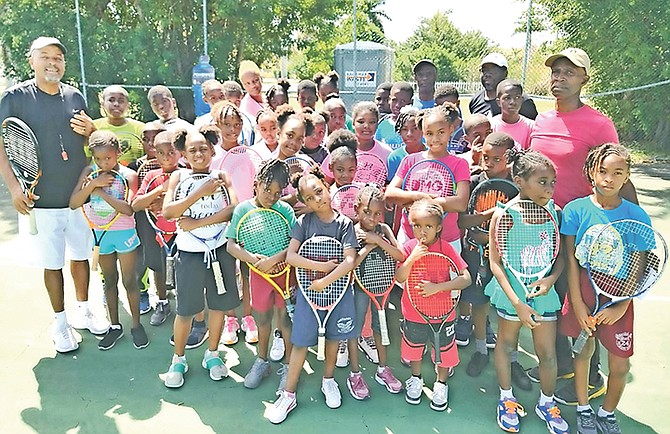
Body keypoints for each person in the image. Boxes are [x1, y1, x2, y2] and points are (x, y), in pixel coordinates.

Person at [529, 48, 637, 403]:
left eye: (568, 72)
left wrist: (629, 226)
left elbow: (615, 171)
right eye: (555, 72)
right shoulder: (540, 122)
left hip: (587, 230)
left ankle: (590, 377)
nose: (559, 78)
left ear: (583, 79)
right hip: (544, 227)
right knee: (557, 299)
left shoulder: (600, 124)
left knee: (585, 301)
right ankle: (561, 365)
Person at [0, 36, 106, 353]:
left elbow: (94, 145)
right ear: (31, 61)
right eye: (45, 56)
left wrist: (92, 131)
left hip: (78, 195)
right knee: (52, 263)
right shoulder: (14, 98)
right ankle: (60, 324)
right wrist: (15, 187)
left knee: (81, 256)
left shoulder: (74, 96)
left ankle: (83, 310)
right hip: (41, 199)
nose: (52, 62)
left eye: (58, 57)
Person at [560, 143, 649, 434]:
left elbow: (640, 265)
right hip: (584, 291)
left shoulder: (637, 216)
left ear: (627, 178)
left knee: (620, 366)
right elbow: (571, 262)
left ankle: (607, 413)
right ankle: (584, 409)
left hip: (620, 294)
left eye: (617, 173)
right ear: (591, 173)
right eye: (603, 171)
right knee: (582, 354)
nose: (608, 178)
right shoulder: (575, 210)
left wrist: (622, 303)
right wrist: (577, 301)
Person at [266, 167, 357, 424]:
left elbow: (349, 260)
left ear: (326, 188)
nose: (317, 199)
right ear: (304, 202)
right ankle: (288, 394)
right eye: (310, 197)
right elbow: (292, 257)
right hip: (309, 294)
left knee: (333, 340)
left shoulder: (344, 224)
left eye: (319, 191)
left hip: (339, 295)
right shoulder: (304, 223)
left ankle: (328, 381)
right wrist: (320, 270)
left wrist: (327, 280)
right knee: (301, 343)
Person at [486, 149, 568, 434]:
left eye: (552, 182)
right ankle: (506, 398)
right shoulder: (504, 214)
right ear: (520, 181)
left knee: (547, 354)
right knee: (506, 346)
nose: (549, 188)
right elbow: (495, 264)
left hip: (544, 294)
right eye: (542, 181)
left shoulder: (555, 212)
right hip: (512, 295)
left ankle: (547, 403)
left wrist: (550, 280)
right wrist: (516, 303)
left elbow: (560, 259)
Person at [161, 126, 239, 388]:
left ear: (212, 150)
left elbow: (233, 209)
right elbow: (169, 212)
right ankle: (178, 359)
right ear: (183, 153)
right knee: (186, 310)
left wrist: (199, 222)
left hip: (220, 252)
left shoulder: (221, 175)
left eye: (203, 149)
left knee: (218, 306)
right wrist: (199, 193)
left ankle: (213, 355)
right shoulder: (178, 177)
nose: (198, 154)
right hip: (189, 255)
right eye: (192, 150)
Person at [69, 130, 149, 350]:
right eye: (98, 159)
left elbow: (129, 209)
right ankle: (115, 326)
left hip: (124, 235)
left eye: (108, 158)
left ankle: (135, 326)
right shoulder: (89, 173)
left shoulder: (129, 176)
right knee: (109, 281)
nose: (103, 163)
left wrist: (102, 192)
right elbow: (75, 203)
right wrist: (93, 184)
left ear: (119, 153)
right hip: (101, 236)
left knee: (130, 281)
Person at [226, 159, 296, 392]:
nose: (271, 197)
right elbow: (231, 246)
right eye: (267, 190)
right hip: (259, 277)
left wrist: (275, 260)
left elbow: (295, 244)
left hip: (284, 275)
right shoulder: (242, 210)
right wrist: (253, 259)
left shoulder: (285, 210)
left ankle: (288, 365)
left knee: (285, 321)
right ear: (256, 184)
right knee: (263, 321)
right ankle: (262, 361)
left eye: (277, 193)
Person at [395, 198, 472, 410]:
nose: (422, 231)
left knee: (443, 353)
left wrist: (438, 288)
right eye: (417, 226)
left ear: (439, 227)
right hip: (413, 314)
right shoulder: (408, 247)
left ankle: (441, 384)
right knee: (414, 351)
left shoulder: (446, 248)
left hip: (443, 315)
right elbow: (400, 277)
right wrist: (411, 259)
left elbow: (466, 278)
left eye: (428, 226)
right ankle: (416, 379)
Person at [458, 133, 520, 379]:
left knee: (510, 310)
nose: (489, 163)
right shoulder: (473, 182)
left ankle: (513, 359)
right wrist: (491, 215)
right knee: (479, 303)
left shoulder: (519, 185)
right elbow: (462, 220)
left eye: (496, 159)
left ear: (509, 159)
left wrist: (497, 237)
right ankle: (482, 351)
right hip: (475, 255)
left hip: (508, 258)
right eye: (485, 157)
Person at [385, 103, 470, 247]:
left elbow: (460, 203)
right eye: (429, 133)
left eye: (441, 132)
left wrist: (421, 203)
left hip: (446, 238)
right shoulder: (409, 160)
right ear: (423, 133)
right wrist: (417, 196)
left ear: (451, 130)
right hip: (409, 236)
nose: (435, 139)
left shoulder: (460, 164)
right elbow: (390, 193)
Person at [349, 184, 405, 398]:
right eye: (367, 212)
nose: (372, 218)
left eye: (377, 213)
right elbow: (351, 264)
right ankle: (355, 373)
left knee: (380, 329)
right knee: (354, 331)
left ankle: (383, 369)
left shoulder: (384, 230)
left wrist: (377, 240)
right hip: (360, 290)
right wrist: (369, 246)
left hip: (383, 287)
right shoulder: (352, 231)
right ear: (357, 208)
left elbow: (400, 256)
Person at [210, 101, 259, 346]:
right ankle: (231, 318)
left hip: (248, 223)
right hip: (221, 225)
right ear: (217, 125)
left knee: (247, 272)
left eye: (236, 125)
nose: (232, 129)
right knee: (228, 273)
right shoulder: (212, 157)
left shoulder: (249, 154)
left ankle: (248, 317)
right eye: (226, 125)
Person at [131, 129, 181, 326]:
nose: (166, 157)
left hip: (181, 233)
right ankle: (162, 303)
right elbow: (136, 205)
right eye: (161, 152)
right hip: (158, 234)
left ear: (179, 152)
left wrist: (166, 203)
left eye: (171, 152)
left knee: (184, 273)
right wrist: (160, 190)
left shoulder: (186, 173)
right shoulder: (151, 176)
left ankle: (186, 308)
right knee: (158, 269)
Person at [469, 53, 538, 120]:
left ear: (505, 73)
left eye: (493, 70)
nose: (487, 74)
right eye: (484, 70)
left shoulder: (521, 102)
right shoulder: (475, 100)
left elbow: (532, 129)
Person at [92, 85, 144, 165]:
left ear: (128, 106)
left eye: (121, 101)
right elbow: (87, 159)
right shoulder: (93, 127)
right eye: (111, 100)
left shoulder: (141, 128)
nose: (116, 104)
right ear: (102, 104)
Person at [491, 79, 535, 150]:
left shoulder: (531, 127)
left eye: (517, 97)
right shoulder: (491, 125)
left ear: (522, 100)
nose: (513, 102)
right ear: (498, 102)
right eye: (507, 98)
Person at [386, 106, 424, 182]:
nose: (409, 134)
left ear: (423, 129)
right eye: (404, 129)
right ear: (399, 132)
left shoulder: (433, 153)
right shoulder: (394, 158)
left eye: (415, 128)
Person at [375, 82, 414, 150]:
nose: (397, 105)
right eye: (394, 100)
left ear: (411, 102)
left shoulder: (417, 126)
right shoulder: (381, 125)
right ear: (389, 100)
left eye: (403, 101)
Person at [434, 85, 466, 154]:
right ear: (436, 107)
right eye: (441, 106)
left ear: (457, 103)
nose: (446, 110)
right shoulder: (434, 131)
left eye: (449, 105)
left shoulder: (466, 129)